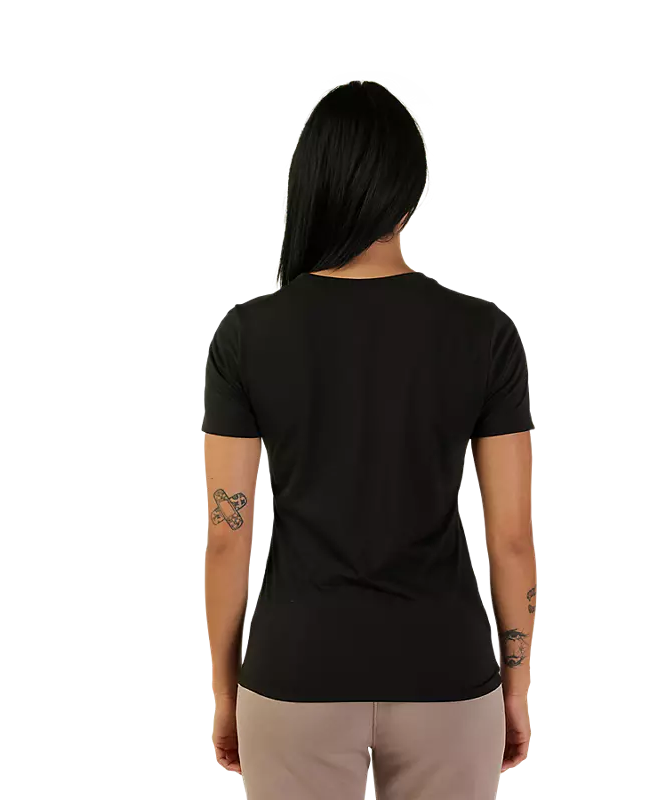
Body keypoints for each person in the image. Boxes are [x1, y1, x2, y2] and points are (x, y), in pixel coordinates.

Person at [202, 77, 536, 800]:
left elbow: (228, 537)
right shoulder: (484, 333)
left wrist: (226, 694)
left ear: (311, 185)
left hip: (294, 676)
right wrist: (517, 689)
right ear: (413, 193)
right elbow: (511, 538)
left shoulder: (248, 335)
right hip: (448, 675)